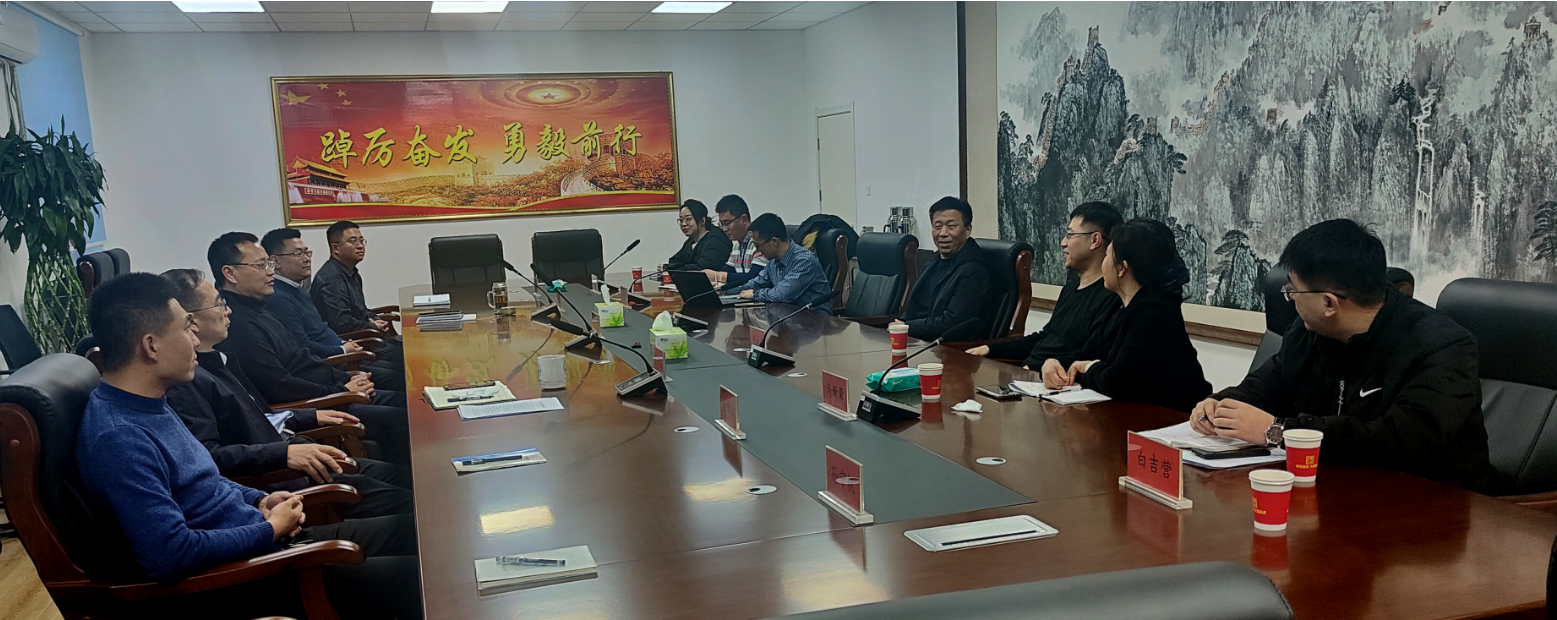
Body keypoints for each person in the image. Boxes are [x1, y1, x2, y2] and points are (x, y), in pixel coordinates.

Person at [76, 273, 421, 619]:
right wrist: (268, 530)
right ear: (151, 346)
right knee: (422, 576)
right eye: (186, 328)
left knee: (419, 530)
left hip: (269, 540)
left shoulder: (150, 402)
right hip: (257, 574)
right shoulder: (120, 438)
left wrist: (258, 500)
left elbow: (206, 480)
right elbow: (169, 554)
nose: (194, 339)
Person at [1191, 220, 1499, 492]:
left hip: (1431, 509)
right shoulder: (1308, 331)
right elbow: (1269, 384)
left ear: (1329, 303)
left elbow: (1401, 442)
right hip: (1335, 493)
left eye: (1293, 290)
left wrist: (1278, 432)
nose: (1290, 298)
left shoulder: (1442, 347)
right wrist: (1221, 404)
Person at [161, 268, 412, 520]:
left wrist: (311, 416)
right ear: (190, 321)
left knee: (408, 480)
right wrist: (284, 453)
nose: (228, 311)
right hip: (284, 481)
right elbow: (209, 457)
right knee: (409, 505)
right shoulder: (186, 382)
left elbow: (263, 415)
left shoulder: (218, 359)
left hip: (297, 451)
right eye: (219, 304)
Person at [208, 232, 411, 465]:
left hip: (331, 389)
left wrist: (345, 378)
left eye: (269, 264)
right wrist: (341, 388)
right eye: (261, 265)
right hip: (320, 402)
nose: (270, 271)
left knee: (408, 401)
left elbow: (302, 356)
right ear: (230, 273)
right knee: (403, 419)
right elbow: (280, 386)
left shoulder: (259, 308)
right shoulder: (239, 326)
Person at [1044, 218, 1211, 412]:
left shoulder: (1155, 312)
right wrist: (1055, 363)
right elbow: (1090, 351)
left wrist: (1088, 368)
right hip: (1131, 414)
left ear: (1122, 268)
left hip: (1171, 417)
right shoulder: (1118, 304)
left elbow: (1119, 382)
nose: (1103, 263)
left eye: (1107, 255)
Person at [969, 201, 1123, 368]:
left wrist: (1038, 369)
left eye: (1070, 235)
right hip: (1029, 374)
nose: (1063, 243)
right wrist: (990, 348)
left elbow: (1089, 356)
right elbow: (1045, 337)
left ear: (1095, 240)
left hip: (1055, 379)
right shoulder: (1071, 287)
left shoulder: (1111, 296)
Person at [261, 227, 404, 370]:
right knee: (398, 370)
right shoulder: (279, 297)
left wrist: (344, 343)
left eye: (307, 253)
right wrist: (343, 349)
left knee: (404, 356)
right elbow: (303, 345)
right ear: (275, 261)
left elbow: (323, 330)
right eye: (298, 254)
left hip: (343, 348)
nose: (307, 259)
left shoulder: (298, 289)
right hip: (331, 362)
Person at [892, 197, 990, 341]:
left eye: (951, 226)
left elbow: (952, 324)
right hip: (918, 339)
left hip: (946, 347)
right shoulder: (934, 260)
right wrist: (901, 322)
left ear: (967, 230)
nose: (943, 233)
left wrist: (907, 327)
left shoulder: (973, 272)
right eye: (937, 227)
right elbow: (915, 307)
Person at [725, 213, 836, 312]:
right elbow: (756, 283)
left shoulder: (804, 261)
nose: (758, 251)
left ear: (774, 241)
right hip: (789, 317)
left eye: (758, 246)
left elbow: (781, 294)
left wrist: (754, 294)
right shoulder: (773, 262)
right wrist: (725, 291)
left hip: (816, 320)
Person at [312, 220, 394, 336]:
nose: (360, 246)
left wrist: (375, 319)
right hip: (353, 342)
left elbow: (361, 310)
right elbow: (342, 323)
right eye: (353, 241)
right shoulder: (332, 279)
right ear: (335, 248)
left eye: (361, 241)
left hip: (364, 335)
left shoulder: (352, 273)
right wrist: (372, 326)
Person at [702, 194, 768, 289]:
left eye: (727, 223)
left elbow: (756, 277)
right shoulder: (737, 245)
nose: (724, 229)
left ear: (744, 219)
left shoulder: (759, 242)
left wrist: (717, 276)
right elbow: (728, 271)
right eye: (721, 224)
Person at [664, 199, 733, 273]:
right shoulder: (690, 242)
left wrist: (673, 268)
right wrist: (668, 267)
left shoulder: (715, 240)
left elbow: (703, 269)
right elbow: (674, 261)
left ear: (702, 221)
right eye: (681, 220)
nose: (683, 224)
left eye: (688, 219)